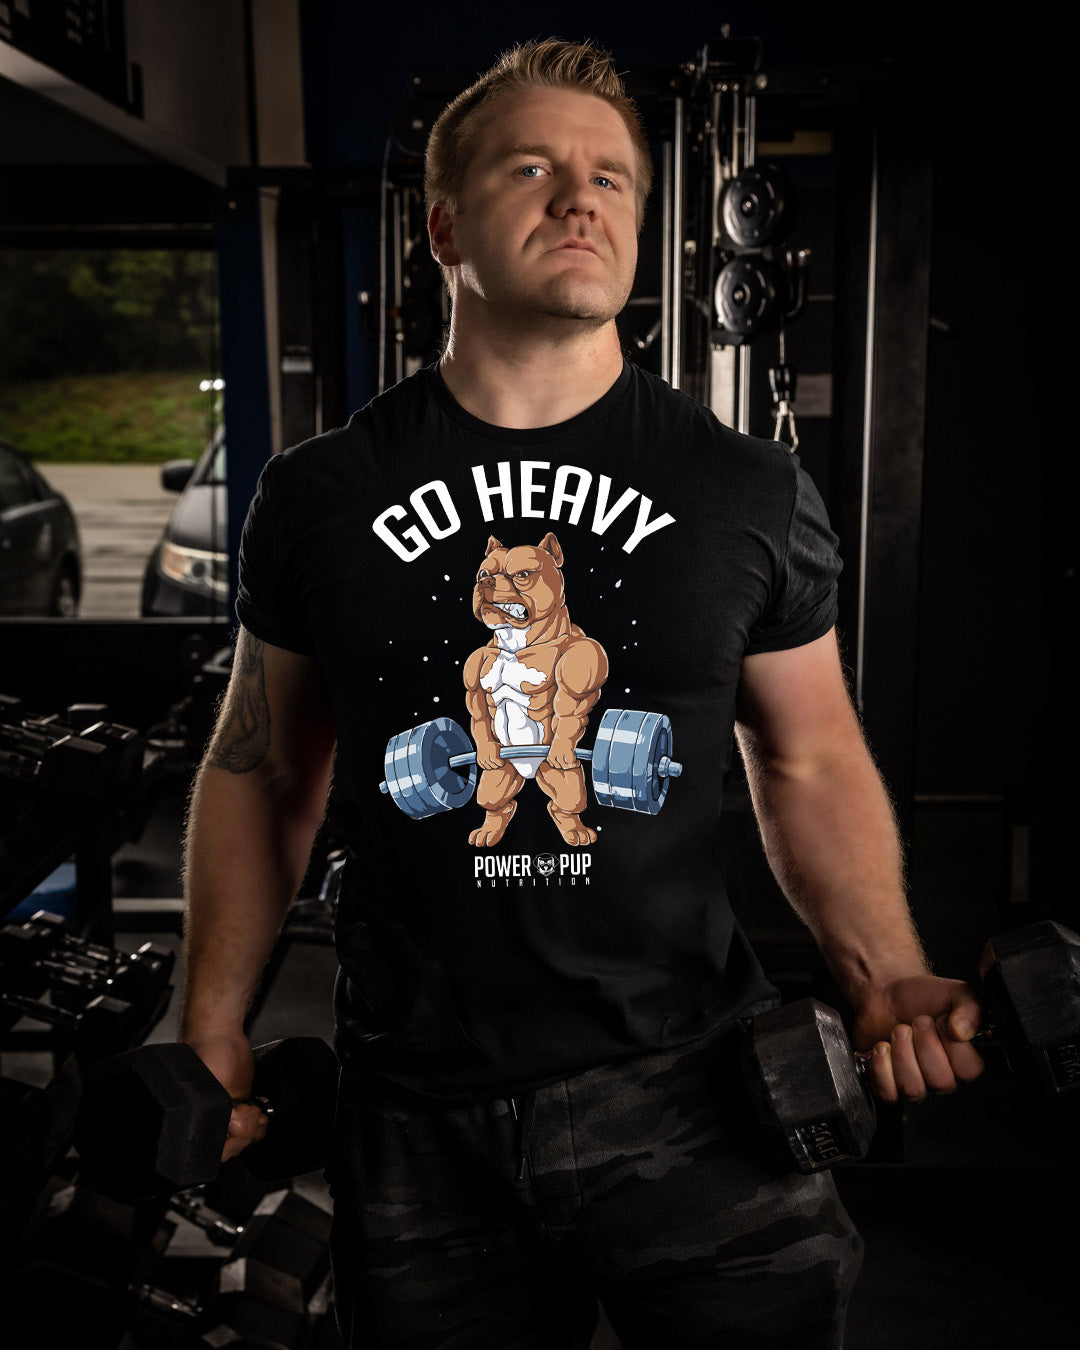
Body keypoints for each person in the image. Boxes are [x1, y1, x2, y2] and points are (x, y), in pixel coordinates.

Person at [179, 37, 984, 1349]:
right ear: (443, 224)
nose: (582, 197)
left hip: (689, 1089)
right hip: (417, 1106)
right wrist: (210, 1026)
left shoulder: (745, 490)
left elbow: (810, 760)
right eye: (535, 166)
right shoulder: (322, 494)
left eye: (614, 176)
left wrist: (887, 969)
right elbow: (261, 768)